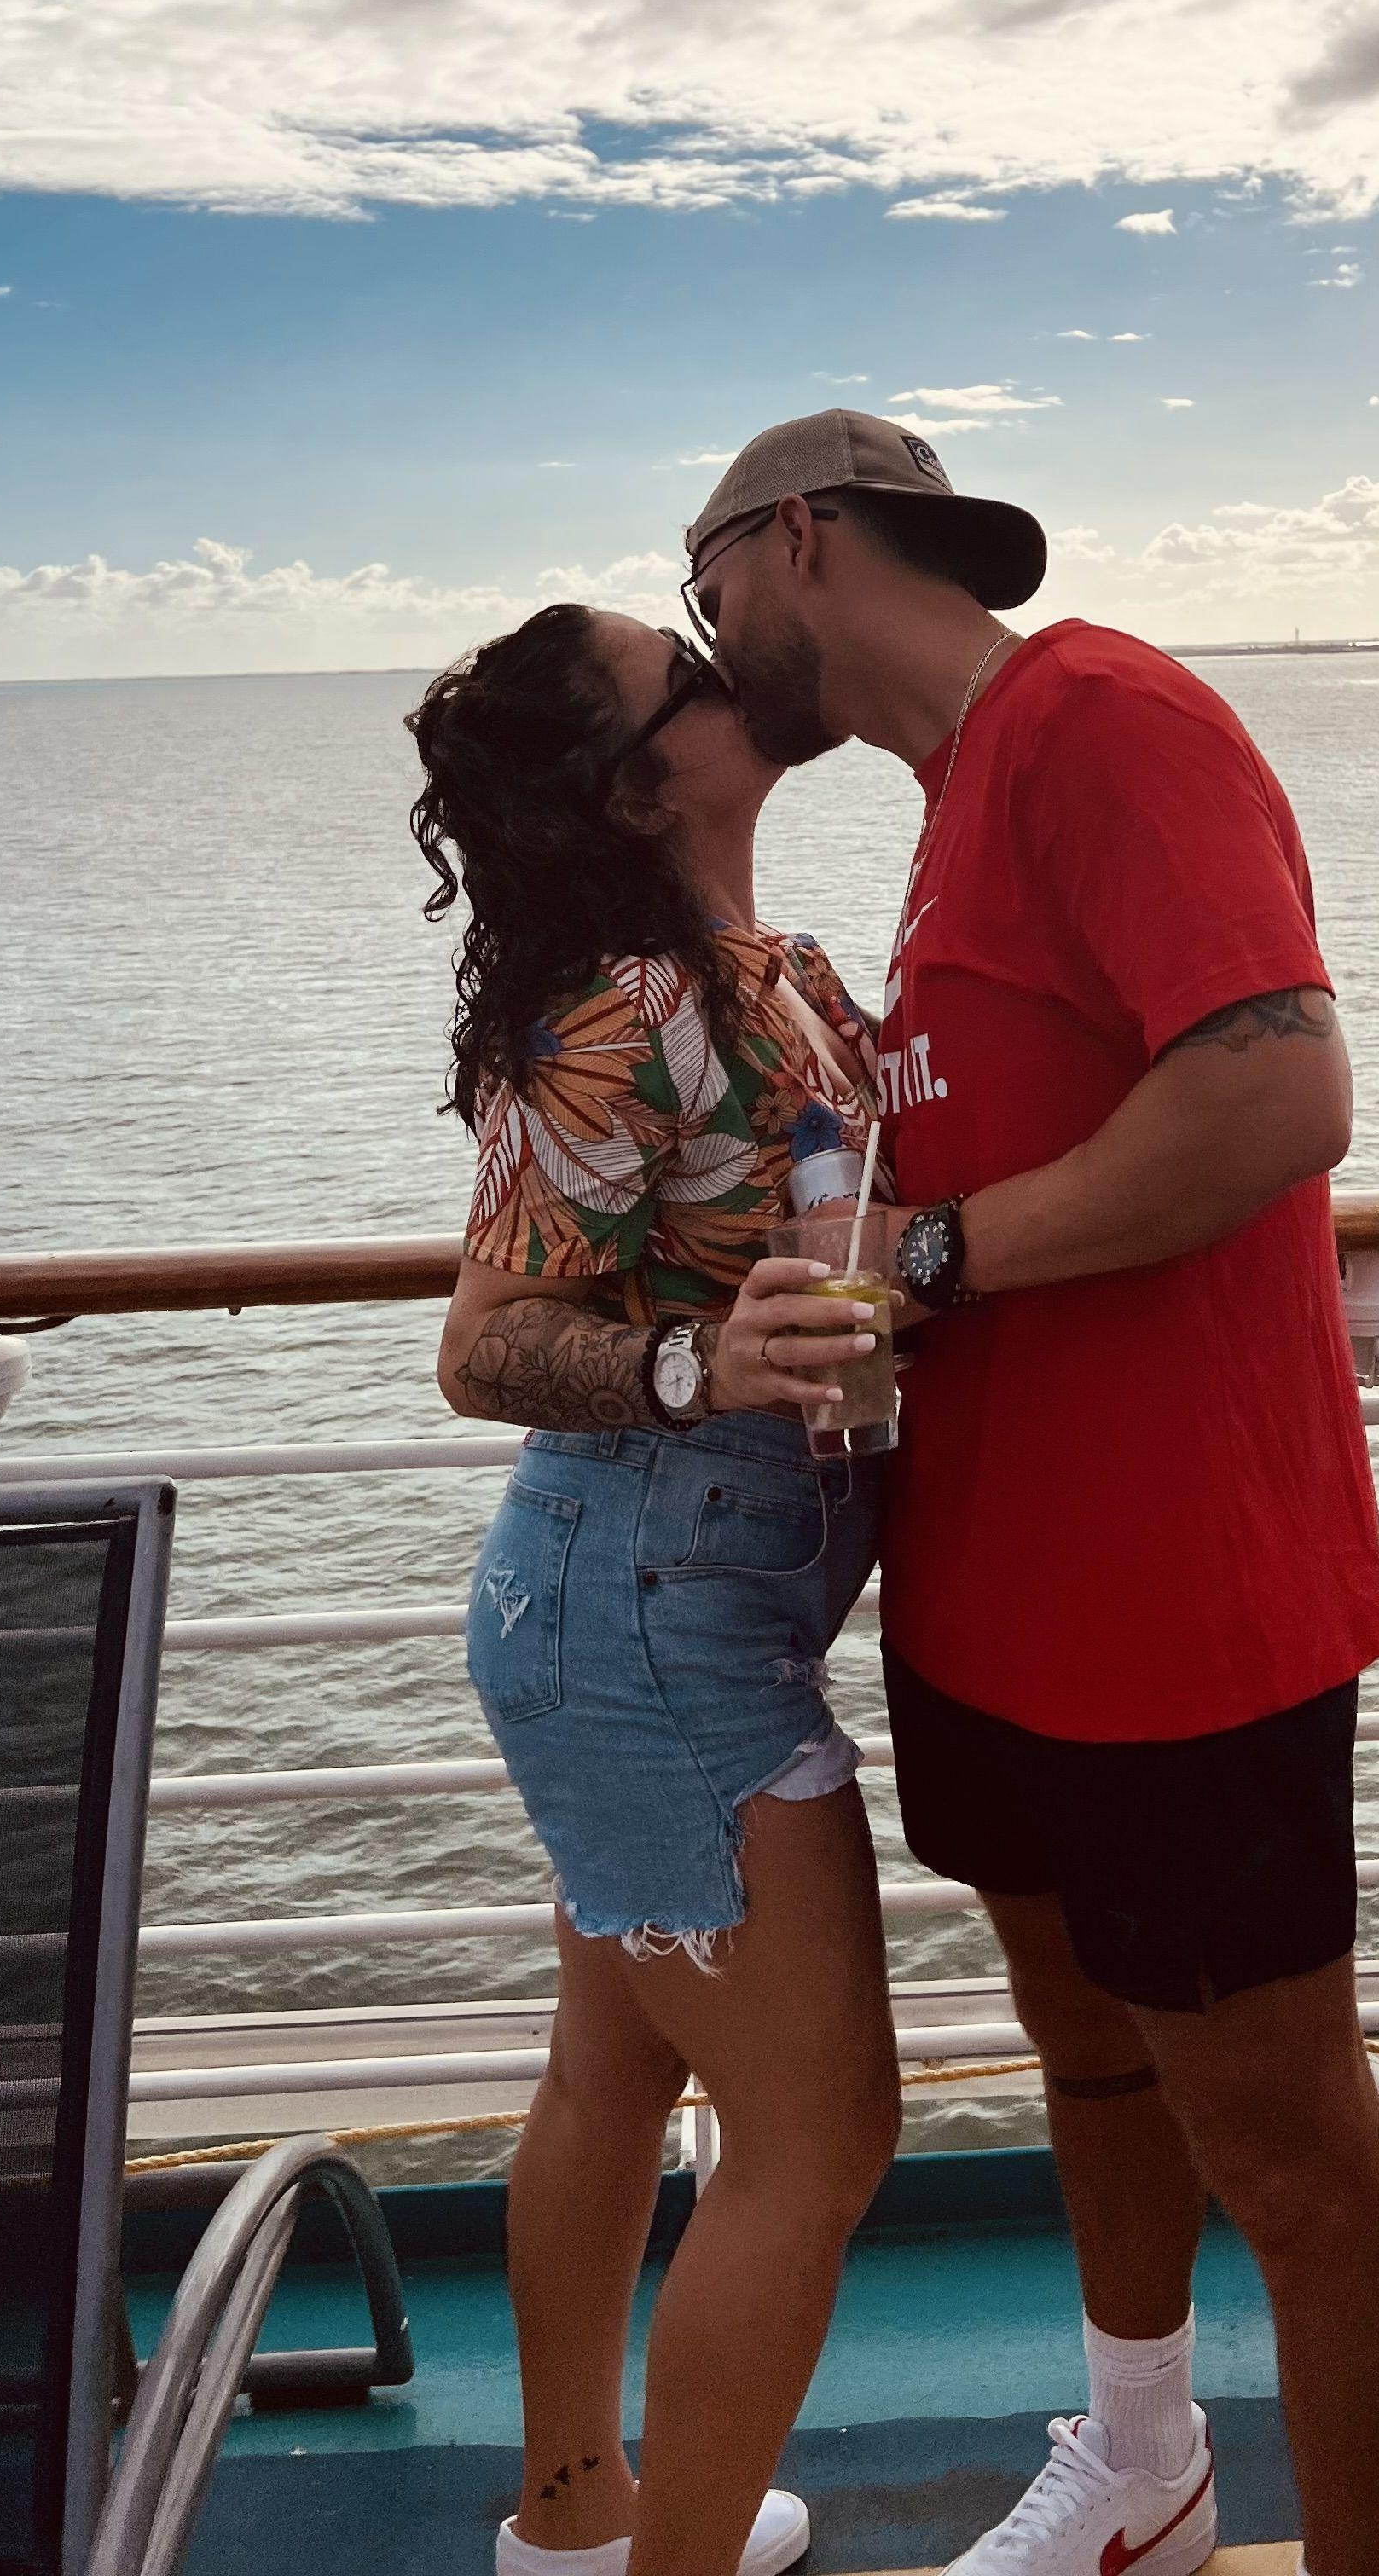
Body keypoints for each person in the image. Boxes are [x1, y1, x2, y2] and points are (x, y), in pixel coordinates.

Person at [681, 414, 1379, 2576]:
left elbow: (1278, 1094)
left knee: (1295, 2166)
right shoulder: (952, 808)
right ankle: (1142, 2464)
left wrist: (927, 1253)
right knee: (1090, 2053)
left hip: (1180, 1608)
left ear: (798, 539)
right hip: (996, 1595)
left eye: (705, 583)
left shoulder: (1107, 718)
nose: (705, 633)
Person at [410, 599, 900, 2576]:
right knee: (821, 2138)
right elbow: (482, 1346)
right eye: (684, 676)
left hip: (670, 1598)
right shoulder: (616, 1010)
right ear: (637, 786)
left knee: (611, 2064)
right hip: (650, 1610)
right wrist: (705, 1362)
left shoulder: (770, 971)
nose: (724, 668)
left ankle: (577, 2520)